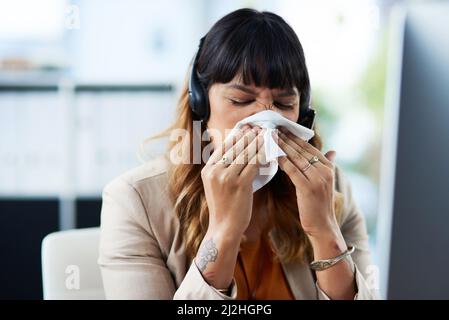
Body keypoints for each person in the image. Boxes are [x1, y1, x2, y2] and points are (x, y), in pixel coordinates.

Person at [98, 8, 376, 300]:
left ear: (302, 114)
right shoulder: (134, 202)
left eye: (283, 104)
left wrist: (324, 229)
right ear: (200, 103)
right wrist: (224, 230)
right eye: (241, 100)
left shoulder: (331, 189)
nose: (265, 118)